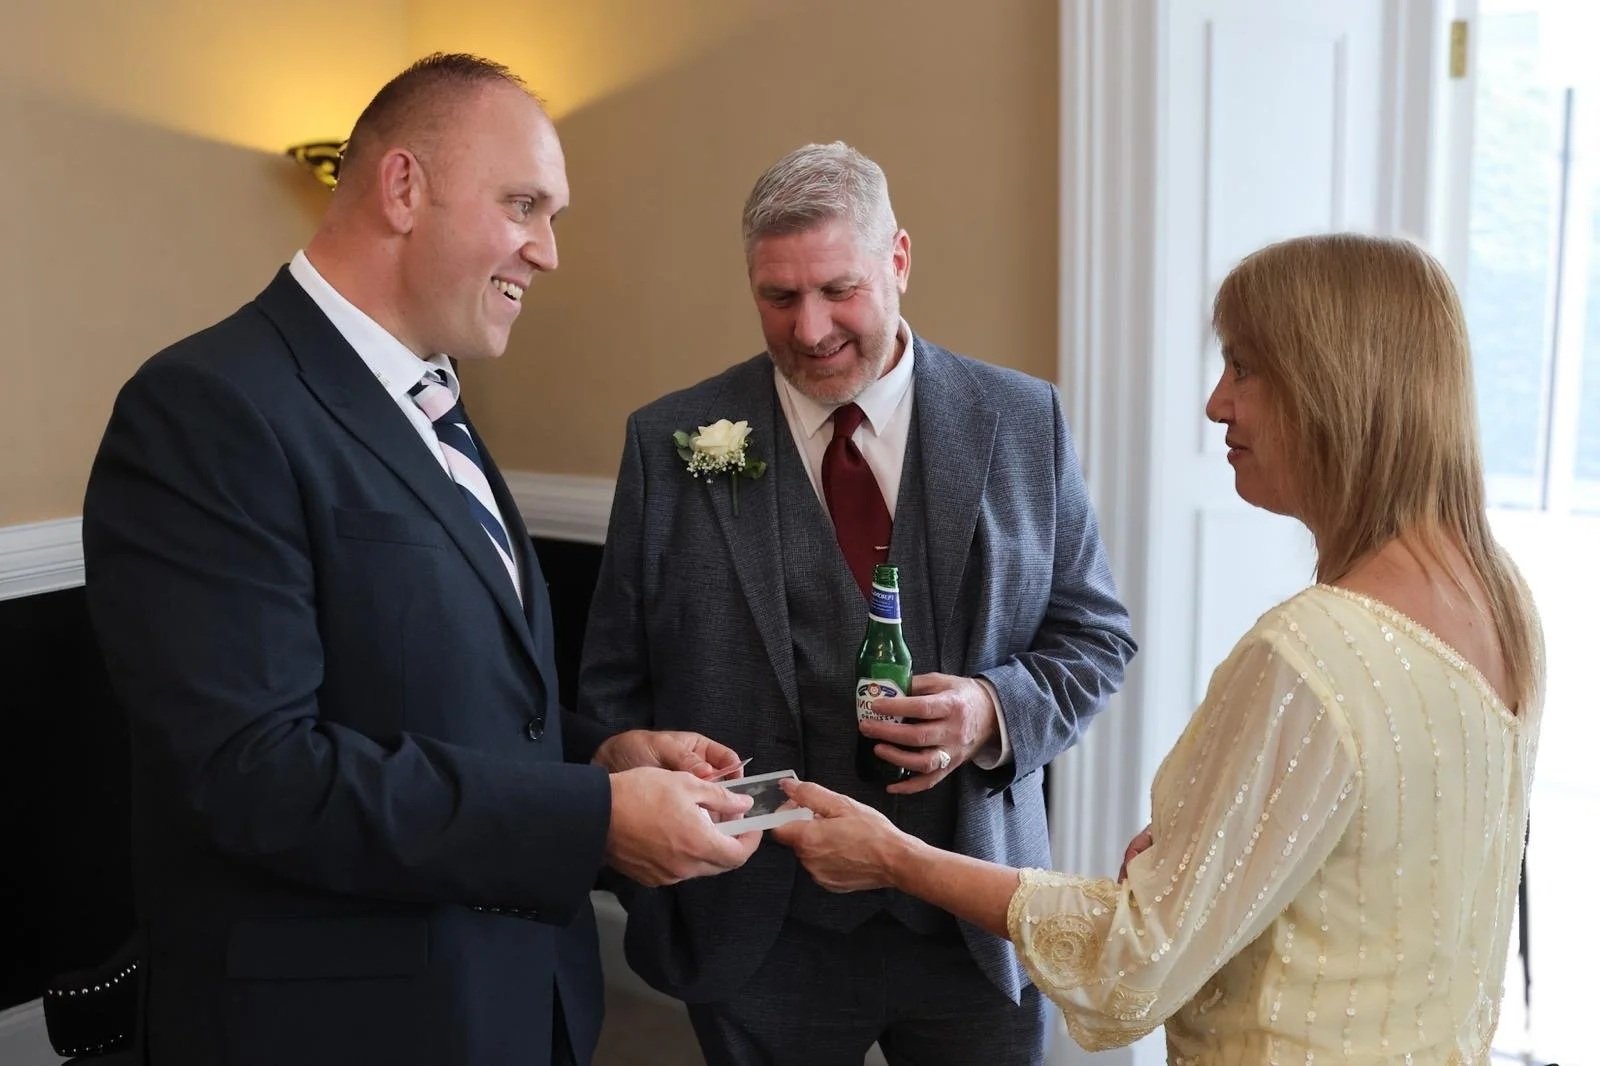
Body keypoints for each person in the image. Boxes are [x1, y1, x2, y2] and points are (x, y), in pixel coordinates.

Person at [81, 53, 760, 1066]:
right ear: (403, 188)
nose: (548, 252)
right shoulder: (207, 408)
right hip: (344, 1024)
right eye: (523, 205)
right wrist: (589, 819)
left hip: (515, 996)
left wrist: (596, 756)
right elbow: (254, 774)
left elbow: (442, 697)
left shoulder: (431, 399)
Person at [774, 233, 1545, 1063]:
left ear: (1334, 385)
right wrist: (1209, 856)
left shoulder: (1316, 652)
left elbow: (1130, 963)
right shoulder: (1498, 601)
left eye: (1243, 367)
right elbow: (1380, 866)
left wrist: (897, 859)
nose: (1217, 404)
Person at [577, 141, 1136, 1065]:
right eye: (779, 296)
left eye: (840, 290)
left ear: (899, 260)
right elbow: (612, 684)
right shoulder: (670, 439)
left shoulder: (1020, 420)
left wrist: (991, 710)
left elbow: (1094, 637)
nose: (810, 330)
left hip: (968, 913)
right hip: (756, 932)